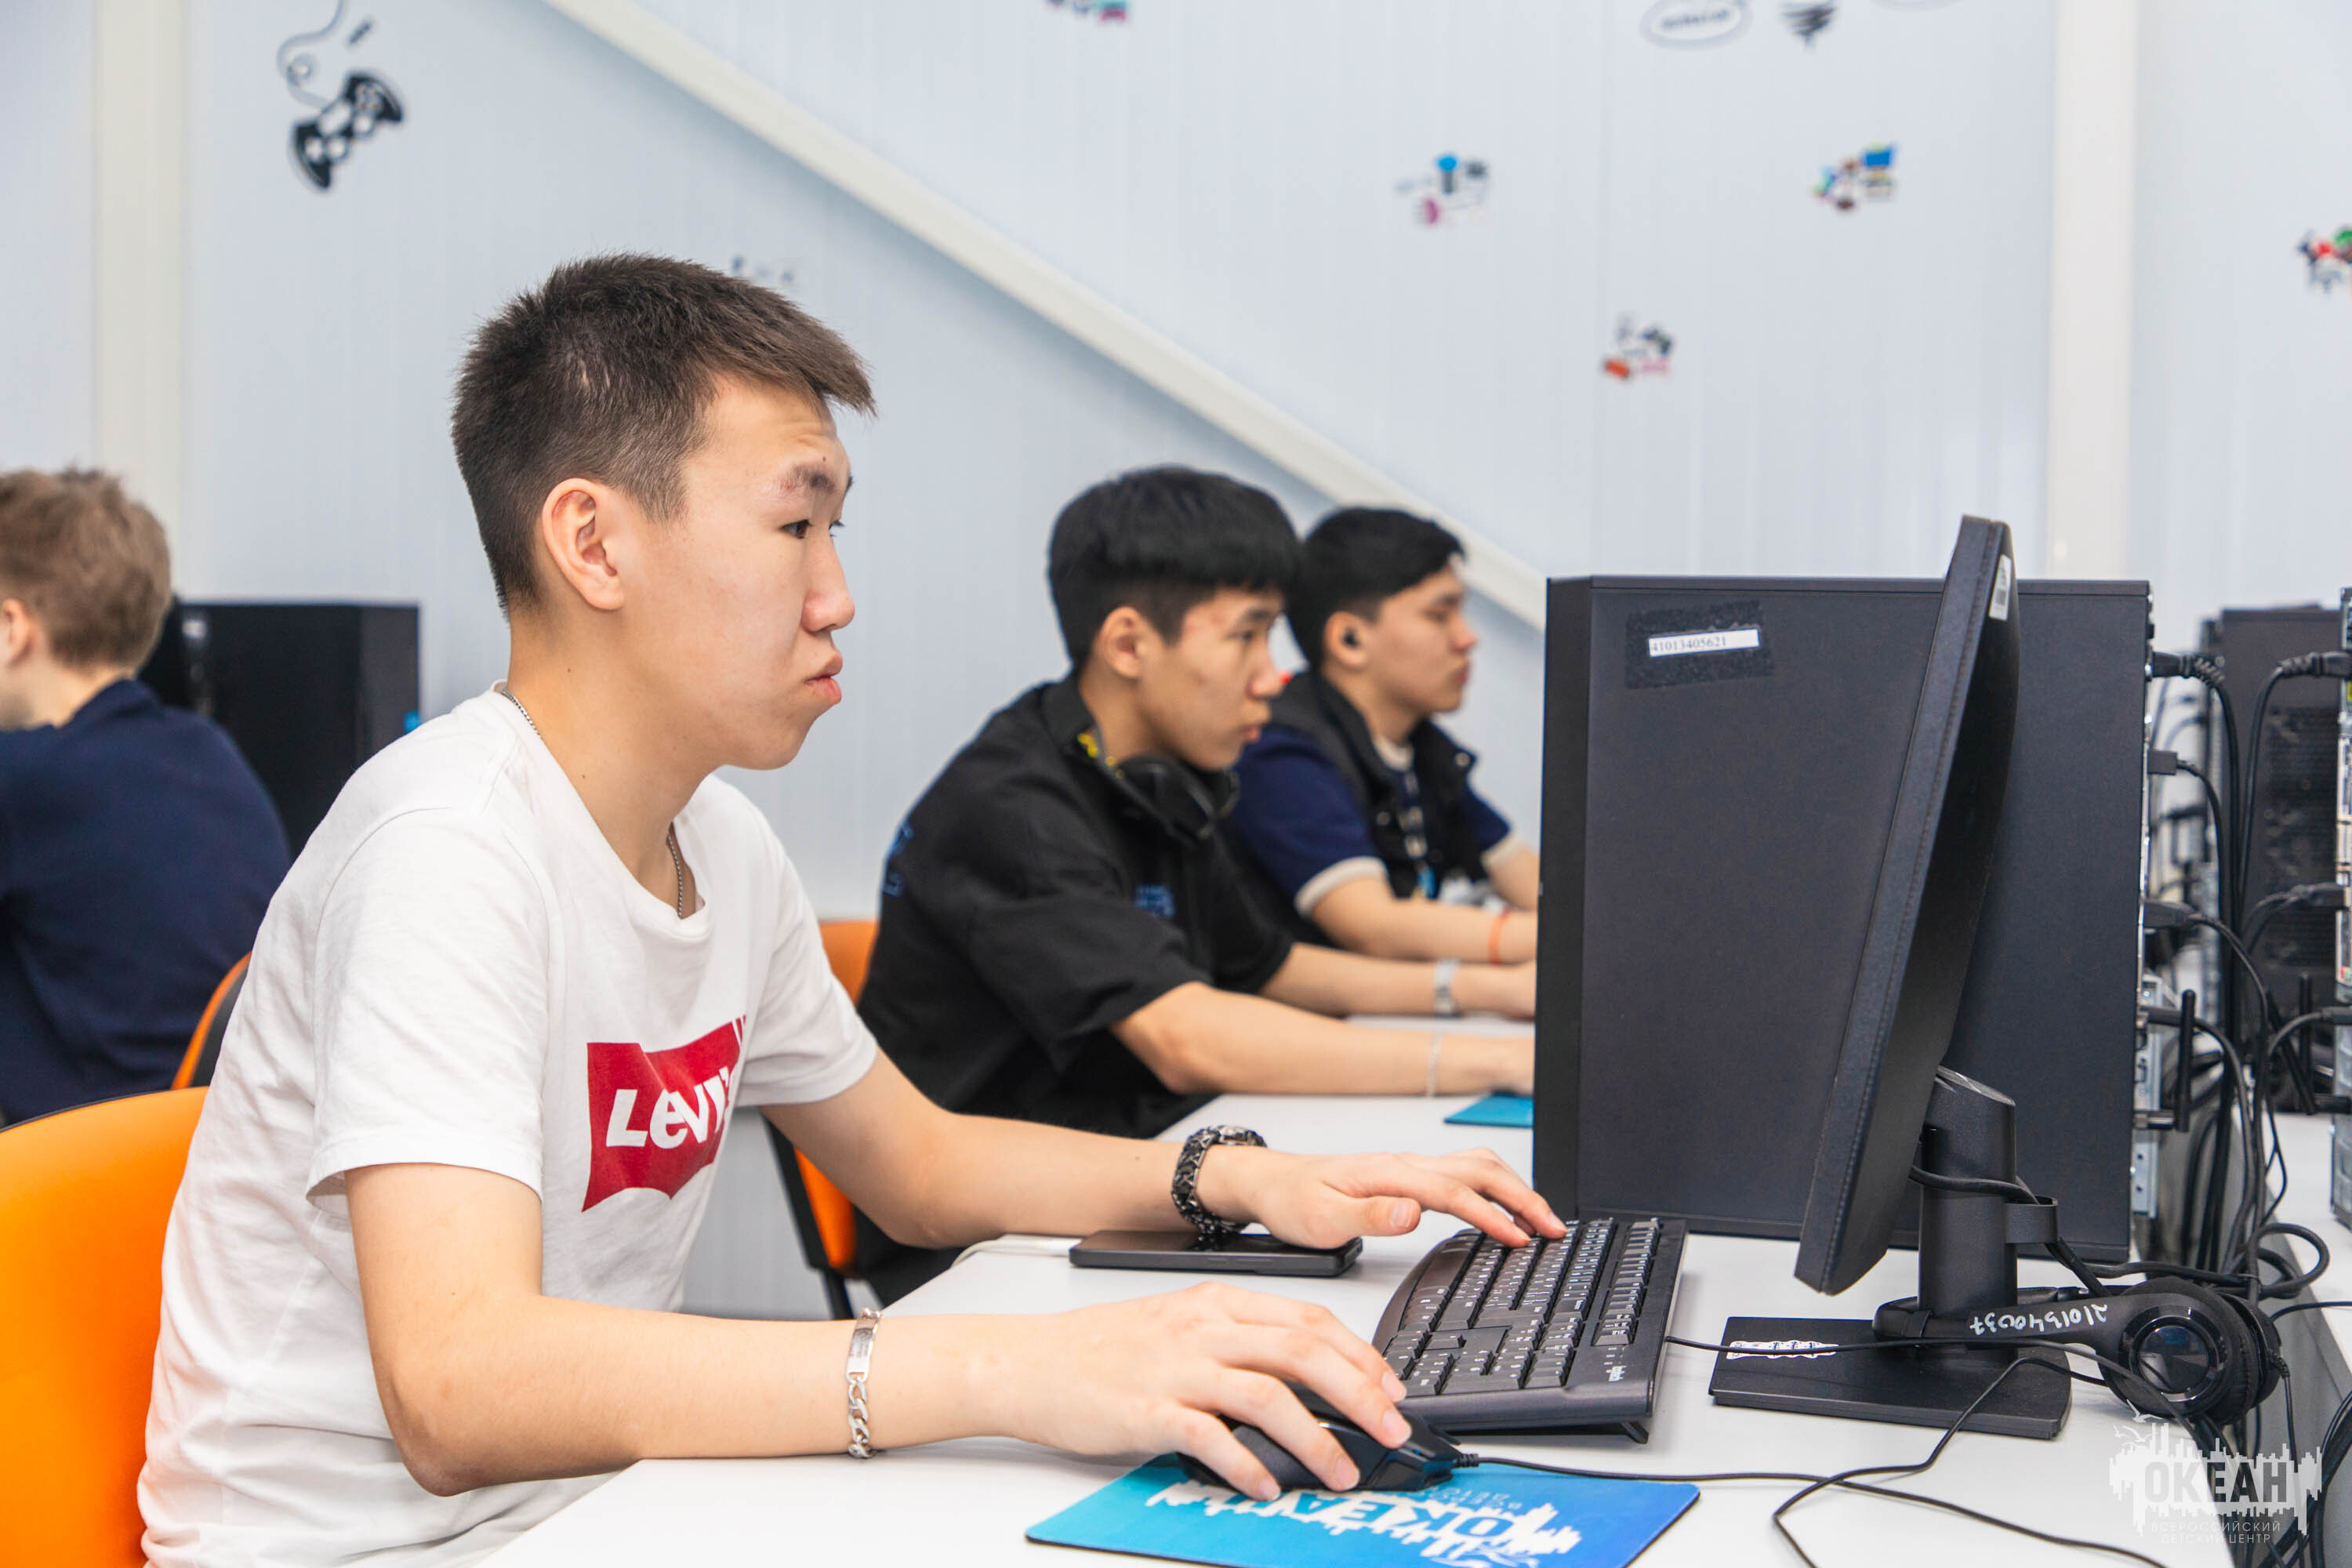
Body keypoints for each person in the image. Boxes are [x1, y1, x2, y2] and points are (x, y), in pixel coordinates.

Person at [140, 256, 1563, 1568]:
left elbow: (919, 1164)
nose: (837, 596)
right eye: (794, 524)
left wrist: (1227, 1179)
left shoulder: (724, 844)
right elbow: (463, 1390)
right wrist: (1012, 1370)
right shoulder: (447, 848)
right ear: (594, 544)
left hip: (600, 1508)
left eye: (837, 529)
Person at [856, 468, 1538, 1299]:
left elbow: (1273, 966)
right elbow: (1187, 1040)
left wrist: (1493, 993)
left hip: (1149, 1169)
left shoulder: (1168, 781)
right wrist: (1496, 1061)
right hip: (1001, 1238)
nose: (1271, 676)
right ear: (1129, 644)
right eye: (1246, 636)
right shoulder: (1012, 807)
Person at [0, 469, 287, 1124]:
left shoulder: (25, 779)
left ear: (13, 628)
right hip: (193, 1147)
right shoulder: (209, 752)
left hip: (75, 1158)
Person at [1226, 506, 1538, 964]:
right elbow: (1373, 928)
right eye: (1440, 615)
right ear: (1349, 639)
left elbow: (1535, 885)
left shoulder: (1425, 751)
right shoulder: (1278, 750)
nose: (1467, 638)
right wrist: (1565, 941)